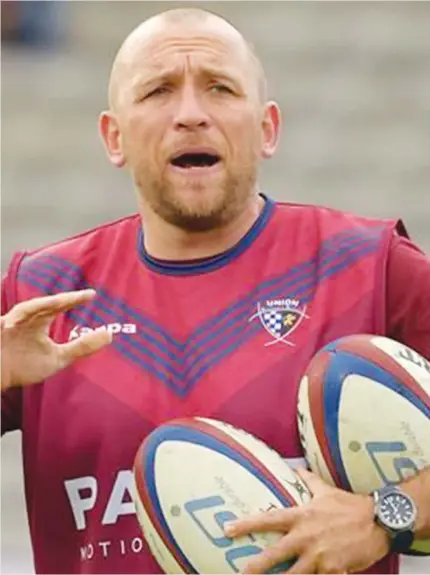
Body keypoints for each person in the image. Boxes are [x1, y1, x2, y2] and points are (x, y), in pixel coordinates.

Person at [1, 7, 430, 575]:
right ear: (114, 136)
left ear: (267, 128)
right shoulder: (37, 296)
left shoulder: (369, 266)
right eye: (157, 91)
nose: (190, 115)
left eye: (220, 88)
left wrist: (383, 517)